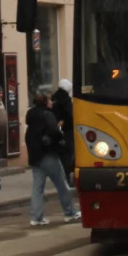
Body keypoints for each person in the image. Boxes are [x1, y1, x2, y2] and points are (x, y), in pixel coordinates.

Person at [25, 92, 81, 226]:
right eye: (50, 100)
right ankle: (70, 213)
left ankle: (37, 218)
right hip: (48, 154)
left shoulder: (31, 115)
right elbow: (54, 132)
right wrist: (60, 134)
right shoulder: (47, 115)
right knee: (62, 184)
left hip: (34, 156)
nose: (52, 102)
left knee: (37, 188)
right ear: (45, 102)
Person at [51, 78, 75, 188]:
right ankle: (66, 179)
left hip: (56, 131)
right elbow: (70, 116)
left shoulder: (53, 98)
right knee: (66, 156)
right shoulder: (66, 101)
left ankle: (59, 178)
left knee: (59, 156)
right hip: (67, 131)